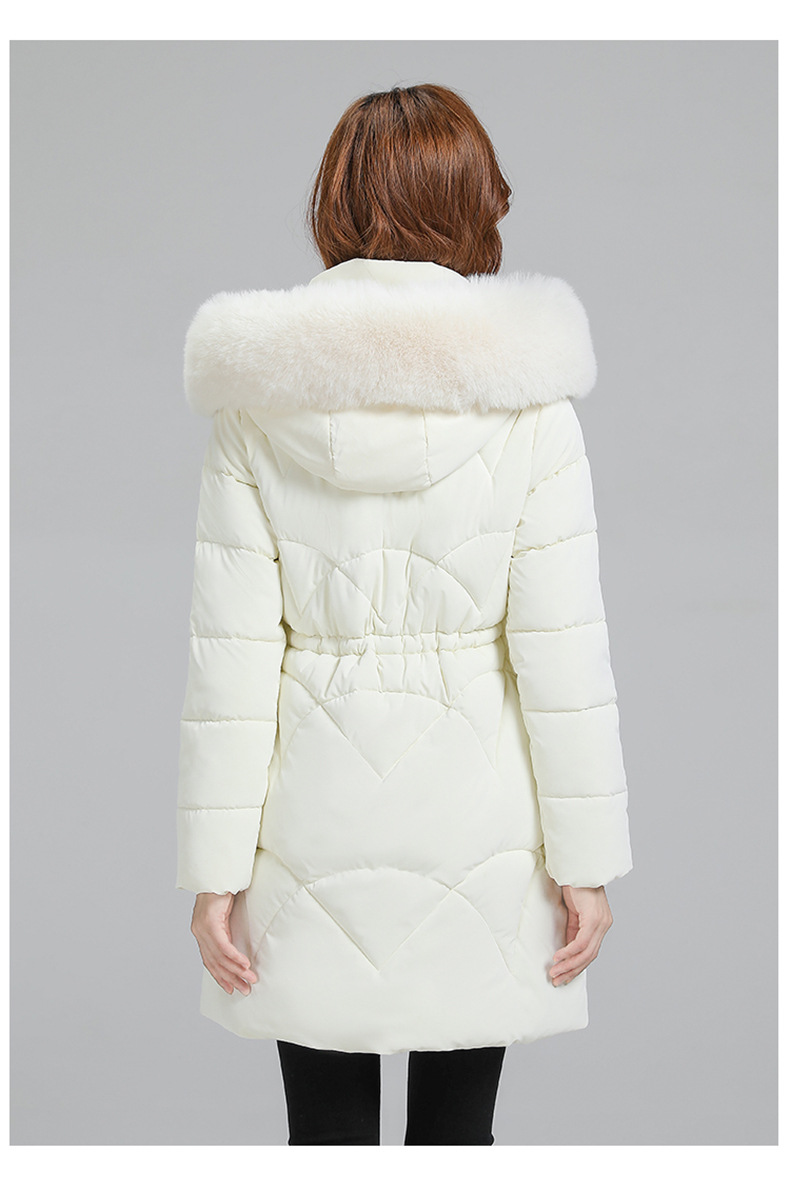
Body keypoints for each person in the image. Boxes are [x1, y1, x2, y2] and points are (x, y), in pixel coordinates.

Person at [175, 82, 633, 1146]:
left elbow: (229, 665)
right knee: (457, 1141)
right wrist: (585, 861)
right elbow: (563, 656)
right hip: (481, 826)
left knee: (322, 1138)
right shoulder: (528, 399)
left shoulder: (258, 400)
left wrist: (213, 873)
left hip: (306, 825)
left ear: (335, 200)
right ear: (475, 203)